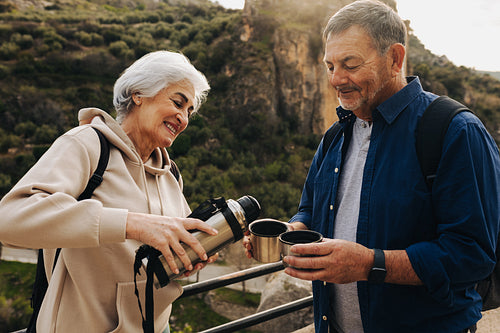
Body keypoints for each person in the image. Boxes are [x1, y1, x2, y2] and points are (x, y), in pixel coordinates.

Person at [242, 1, 500, 332]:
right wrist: (291, 232)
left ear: (395, 58)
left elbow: (473, 255)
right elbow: (310, 212)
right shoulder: (334, 137)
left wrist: (369, 264)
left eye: (350, 64)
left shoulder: (455, 130)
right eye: (330, 66)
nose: (336, 79)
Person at [0, 50, 218, 332]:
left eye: (190, 111)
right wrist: (130, 223)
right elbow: (9, 219)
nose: (184, 118)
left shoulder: (171, 173)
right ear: (139, 94)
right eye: (178, 103)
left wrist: (184, 258)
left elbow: (162, 250)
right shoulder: (86, 144)